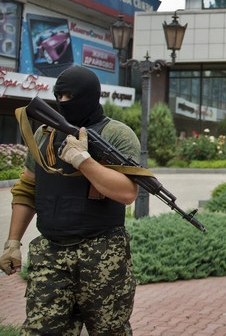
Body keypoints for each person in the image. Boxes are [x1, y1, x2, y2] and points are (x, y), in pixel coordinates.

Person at [0, 65, 140, 336]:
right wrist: (12, 242)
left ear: (91, 96)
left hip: (102, 252)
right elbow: (27, 189)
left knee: (109, 331)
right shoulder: (44, 134)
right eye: (59, 96)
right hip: (51, 251)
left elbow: (127, 193)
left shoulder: (117, 135)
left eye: (70, 97)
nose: (63, 102)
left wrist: (84, 161)